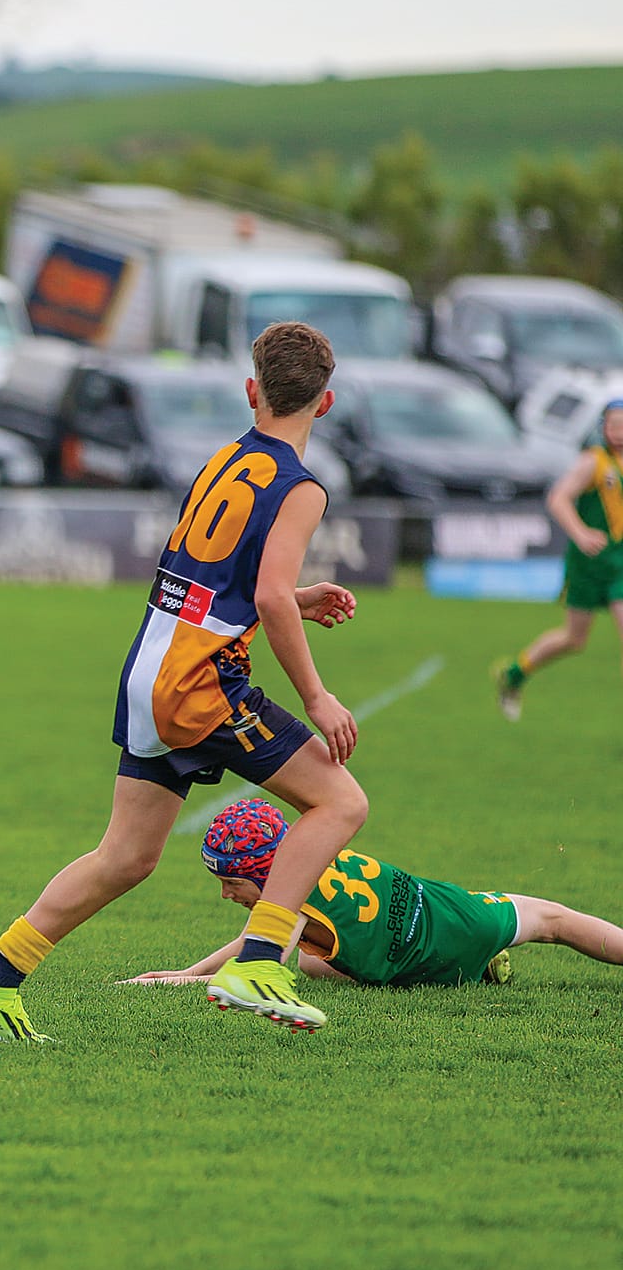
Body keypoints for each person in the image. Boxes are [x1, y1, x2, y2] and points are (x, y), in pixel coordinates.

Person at [0, 321, 366, 1041]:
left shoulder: (225, 460)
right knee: (340, 801)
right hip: (201, 682)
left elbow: (211, 582)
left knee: (127, 856)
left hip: (151, 668)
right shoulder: (300, 486)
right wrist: (317, 695)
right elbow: (263, 595)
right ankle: (259, 959)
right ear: (324, 405)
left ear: (250, 391)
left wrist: (295, 599)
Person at [123, 798, 623, 992]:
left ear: (264, 871)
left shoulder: (290, 907)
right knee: (552, 919)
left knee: (309, 957)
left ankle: (483, 964)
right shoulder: (313, 845)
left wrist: (178, 978)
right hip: (451, 910)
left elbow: (251, 953)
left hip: (432, 956)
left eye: (231, 882)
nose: (226, 894)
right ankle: (488, 959)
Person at [493, 399, 623, 720]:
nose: (619, 432)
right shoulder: (594, 462)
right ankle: (514, 673)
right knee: (574, 639)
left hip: (621, 564)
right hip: (590, 564)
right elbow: (558, 498)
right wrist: (580, 533)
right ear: (602, 428)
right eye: (613, 425)